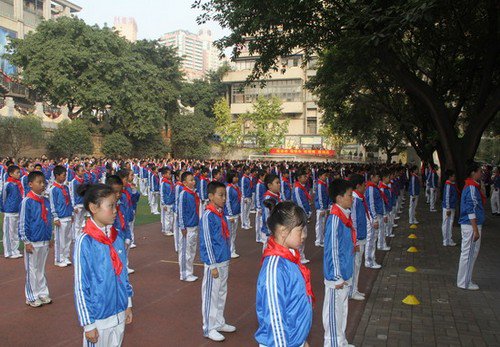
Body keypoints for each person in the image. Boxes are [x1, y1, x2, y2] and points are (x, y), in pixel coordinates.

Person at [73, 183, 133, 346]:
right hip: (98, 318)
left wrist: (127, 303)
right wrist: (88, 324)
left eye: (116, 206)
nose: (115, 211)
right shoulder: (85, 242)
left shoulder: (116, 237)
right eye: (110, 206)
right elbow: (81, 286)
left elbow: (123, 274)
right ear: (93, 207)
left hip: (119, 313)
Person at [255, 201, 313, 347]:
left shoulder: (290, 257)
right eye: (300, 230)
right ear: (283, 231)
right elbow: (275, 319)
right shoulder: (275, 268)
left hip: (293, 340)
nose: (304, 235)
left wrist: (302, 338)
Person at [199, 181, 236, 342]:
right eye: (220, 195)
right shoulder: (208, 215)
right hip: (214, 263)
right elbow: (207, 241)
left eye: (225, 195)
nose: (224, 198)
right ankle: (209, 327)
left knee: (221, 292)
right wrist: (212, 264)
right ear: (210, 196)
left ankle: (219, 321)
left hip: (223, 259)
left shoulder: (220, 214)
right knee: (211, 296)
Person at [323, 179, 356, 347]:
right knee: (334, 315)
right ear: (339, 198)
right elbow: (332, 250)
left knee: (342, 311)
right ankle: (333, 343)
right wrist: (336, 276)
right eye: (350, 195)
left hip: (344, 271)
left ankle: (341, 341)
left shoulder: (344, 216)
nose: (352, 198)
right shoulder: (335, 218)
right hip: (337, 276)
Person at [18, 171, 53, 307]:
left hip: (43, 240)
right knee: (32, 269)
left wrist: (49, 236)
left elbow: (48, 220)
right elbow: (23, 222)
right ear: (31, 184)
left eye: (43, 182)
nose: (42, 185)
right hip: (33, 241)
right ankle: (32, 295)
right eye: (39, 182)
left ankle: (42, 293)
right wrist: (26, 241)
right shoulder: (27, 201)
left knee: (41, 269)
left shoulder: (45, 201)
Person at [457, 162, 485, 291]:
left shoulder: (471, 186)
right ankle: (464, 282)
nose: (481, 173)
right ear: (473, 172)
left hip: (470, 225)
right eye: (480, 171)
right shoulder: (472, 188)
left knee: (469, 254)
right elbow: (471, 209)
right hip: (471, 225)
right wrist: (475, 229)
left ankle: (465, 279)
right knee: (469, 254)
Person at [49, 165, 74, 267]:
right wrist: (55, 217)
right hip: (60, 217)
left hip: (67, 215)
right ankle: (59, 258)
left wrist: (71, 213)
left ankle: (66, 256)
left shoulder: (66, 187)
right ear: (57, 176)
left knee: (68, 238)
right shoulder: (53, 189)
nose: (64, 178)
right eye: (63, 175)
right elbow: (52, 203)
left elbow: (70, 200)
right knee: (60, 239)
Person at [178, 171, 200, 282]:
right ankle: (184, 273)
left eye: (193, 179)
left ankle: (189, 271)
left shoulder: (194, 193)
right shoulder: (184, 194)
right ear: (185, 183)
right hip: (187, 227)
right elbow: (181, 211)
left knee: (191, 251)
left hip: (194, 225)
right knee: (185, 251)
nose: (193, 181)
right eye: (190, 180)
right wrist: (182, 226)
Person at [349, 173, 368, 301]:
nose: (365, 187)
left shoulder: (359, 199)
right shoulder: (355, 201)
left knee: (358, 263)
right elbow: (354, 221)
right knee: (355, 265)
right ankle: (352, 291)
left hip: (361, 235)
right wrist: (355, 241)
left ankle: (354, 289)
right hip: (357, 237)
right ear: (358, 186)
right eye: (363, 185)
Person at [1, 165, 24, 258]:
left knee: (15, 231)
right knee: (8, 232)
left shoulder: (18, 184)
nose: (19, 174)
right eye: (17, 173)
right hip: (9, 211)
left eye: (19, 172)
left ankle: (15, 249)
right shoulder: (7, 184)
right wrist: (4, 208)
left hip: (17, 210)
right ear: (10, 174)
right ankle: (9, 251)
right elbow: (3, 197)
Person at [292, 169, 312, 264]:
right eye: (304, 176)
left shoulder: (302, 187)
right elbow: (300, 203)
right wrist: (305, 214)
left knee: (303, 236)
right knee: (301, 236)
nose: (306, 178)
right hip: (300, 215)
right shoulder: (297, 188)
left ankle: (300, 255)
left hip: (303, 214)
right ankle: (299, 256)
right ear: (299, 178)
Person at [261, 174, 282, 248]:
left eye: (279, 182)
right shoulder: (268, 198)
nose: (279, 185)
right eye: (277, 183)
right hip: (270, 230)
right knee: (268, 250)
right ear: (269, 185)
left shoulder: (277, 196)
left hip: (276, 228)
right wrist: (270, 231)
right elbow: (267, 216)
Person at [225, 170, 242, 259]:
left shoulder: (236, 187)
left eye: (237, 176)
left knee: (233, 234)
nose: (237, 178)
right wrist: (230, 215)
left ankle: (232, 250)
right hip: (230, 215)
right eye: (235, 176)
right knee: (230, 234)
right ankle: (230, 251)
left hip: (236, 213)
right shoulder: (229, 188)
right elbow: (227, 202)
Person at [441, 169, 459, 246]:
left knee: (449, 224)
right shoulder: (448, 185)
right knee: (446, 224)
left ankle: (449, 239)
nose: (454, 177)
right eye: (453, 176)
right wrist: (448, 208)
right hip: (448, 207)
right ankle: (446, 240)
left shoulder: (452, 184)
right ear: (450, 177)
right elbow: (447, 197)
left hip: (452, 206)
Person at [70, 165, 86, 239]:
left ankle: (80, 236)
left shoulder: (83, 181)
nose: (83, 172)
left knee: (82, 221)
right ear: (76, 172)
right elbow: (72, 194)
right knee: (77, 222)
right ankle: (76, 238)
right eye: (81, 170)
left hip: (83, 203)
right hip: (77, 204)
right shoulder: (74, 182)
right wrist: (74, 206)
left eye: (83, 170)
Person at [314, 170, 329, 247]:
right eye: (323, 175)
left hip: (324, 207)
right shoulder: (320, 185)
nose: (325, 177)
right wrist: (322, 207)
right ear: (319, 176)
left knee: (322, 224)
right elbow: (320, 197)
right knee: (319, 224)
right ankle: (318, 240)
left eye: (325, 175)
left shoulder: (323, 184)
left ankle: (321, 240)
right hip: (321, 208)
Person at [160, 167, 175, 236]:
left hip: (171, 201)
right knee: (167, 217)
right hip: (167, 202)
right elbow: (162, 193)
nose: (170, 175)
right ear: (164, 175)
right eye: (168, 174)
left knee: (171, 216)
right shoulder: (163, 183)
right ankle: (166, 230)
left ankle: (169, 229)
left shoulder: (170, 182)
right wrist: (163, 204)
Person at [254, 170, 266, 244]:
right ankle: (258, 237)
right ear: (261, 176)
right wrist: (258, 207)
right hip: (260, 207)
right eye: (264, 176)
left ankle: (261, 237)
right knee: (258, 223)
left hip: (262, 205)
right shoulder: (259, 184)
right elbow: (258, 196)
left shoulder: (262, 184)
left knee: (261, 222)